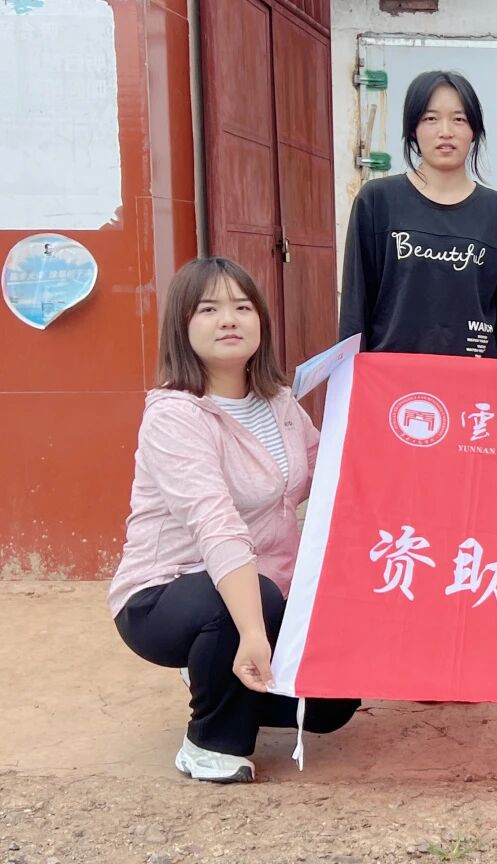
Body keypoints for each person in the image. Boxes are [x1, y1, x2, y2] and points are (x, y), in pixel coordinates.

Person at [110, 257, 359, 783]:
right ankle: (210, 742)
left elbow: (332, 476)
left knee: (333, 703)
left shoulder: (279, 402)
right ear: (182, 327)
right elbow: (216, 528)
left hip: (268, 587)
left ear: (260, 322)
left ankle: (216, 669)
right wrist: (253, 632)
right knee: (246, 604)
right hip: (167, 593)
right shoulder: (174, 416)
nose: (229, 319)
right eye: (209, 309)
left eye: (242, 307)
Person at [339, 70, 497, 359]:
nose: (445, 131)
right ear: (413, 128)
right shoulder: (377, 201)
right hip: (392, 379)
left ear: (474, 131)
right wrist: (350, 375)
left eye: (459, 119)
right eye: (431, 118)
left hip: (476, 379)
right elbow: (355, 312)